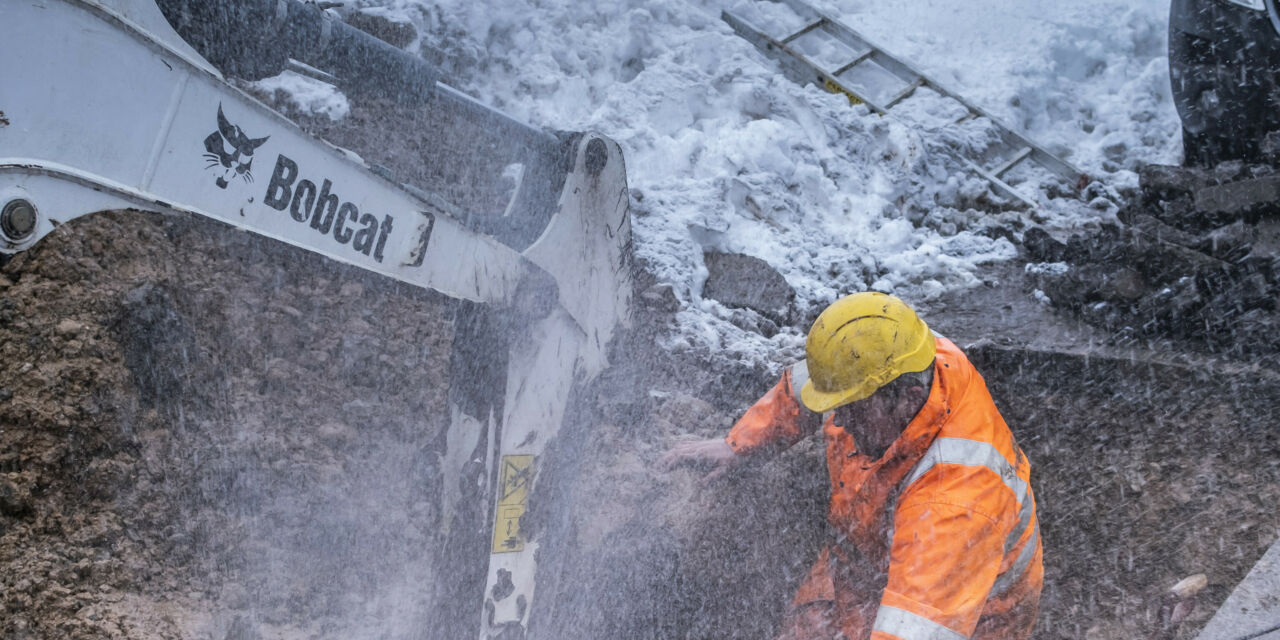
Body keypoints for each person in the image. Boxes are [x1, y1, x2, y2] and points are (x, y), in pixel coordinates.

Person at [660, 292, 1042, 640]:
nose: (839, 422)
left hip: (962, 612)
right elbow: (814, 381)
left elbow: (913, 632)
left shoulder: (955, 503)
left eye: (852, 410)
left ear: (908, 398)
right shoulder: (893, 353)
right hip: (864, 560)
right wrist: (742, 442)